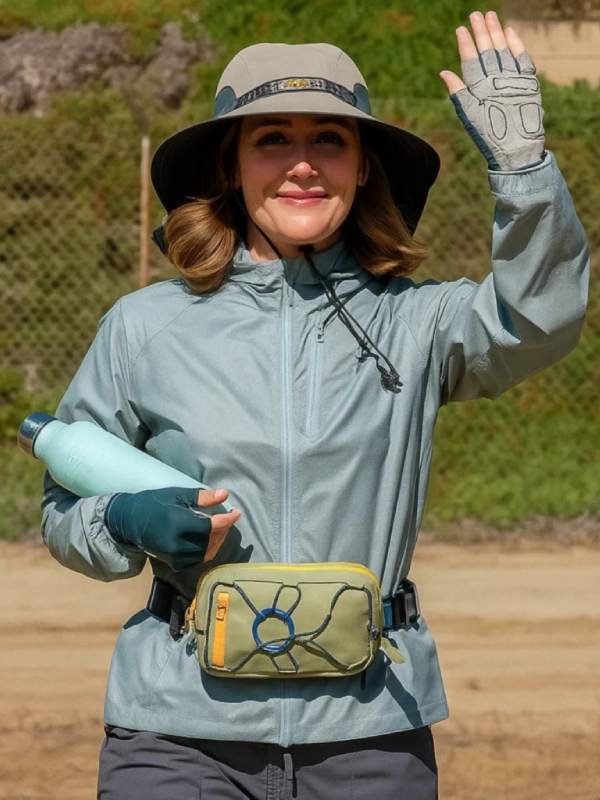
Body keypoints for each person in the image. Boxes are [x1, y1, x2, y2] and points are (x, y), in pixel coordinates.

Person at [40, 10, 589, 800]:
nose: (303, 165)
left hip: (371, 731)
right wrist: (121, 522)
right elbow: (62, 505)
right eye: (272, 139)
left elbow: (540, 316)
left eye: (329, 139)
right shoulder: (143, 327)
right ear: (231, 165)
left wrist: (525, 172)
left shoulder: (419, 323)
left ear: (364, 166)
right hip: (176, 730)